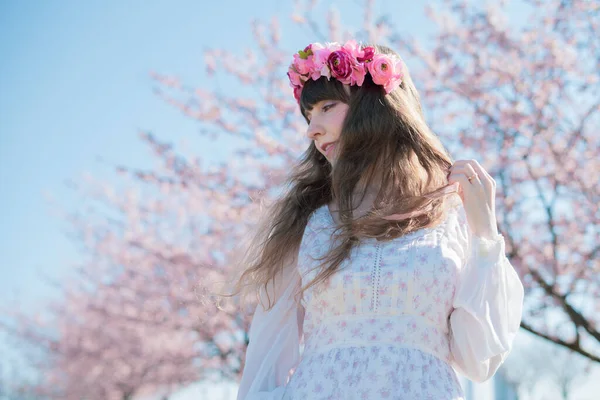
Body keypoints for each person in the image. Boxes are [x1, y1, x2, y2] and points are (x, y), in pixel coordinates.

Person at [229, 40, 525, 399]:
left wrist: (485, 236)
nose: (312, 129)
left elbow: (478, 360)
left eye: (327, 106)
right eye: (309, 117)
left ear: (377, 107)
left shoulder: (449, 220)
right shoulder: (307, 224)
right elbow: (265, 365)